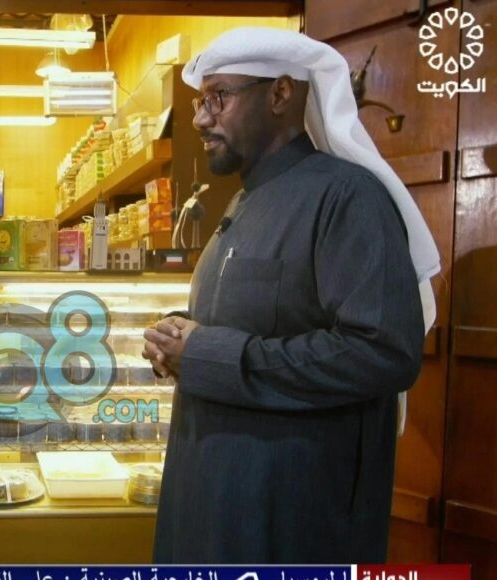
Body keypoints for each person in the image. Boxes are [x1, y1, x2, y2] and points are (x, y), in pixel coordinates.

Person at [143, 28, 441, 563]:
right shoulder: (244, 202)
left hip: (288, 520)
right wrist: (178, 335)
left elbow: (382, 352)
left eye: (219, 97)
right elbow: (260, 319)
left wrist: (206, 353)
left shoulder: (348, 197)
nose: (201, 119)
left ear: (280, 93)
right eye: (199, 102)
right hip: (212, 504)